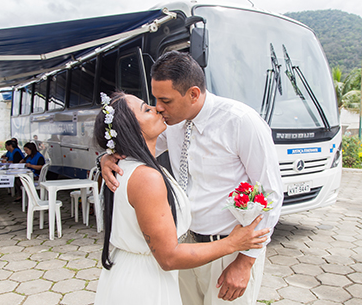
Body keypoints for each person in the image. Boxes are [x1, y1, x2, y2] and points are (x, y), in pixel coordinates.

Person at [101, 51, 283, 304]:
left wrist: (245, 261)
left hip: (229, 251)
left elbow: (271, 193)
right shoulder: (171, 121)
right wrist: (108, 155)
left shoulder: (240, 122)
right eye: (154, 99)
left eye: (165, 100)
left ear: (194, 94)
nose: (158, 108)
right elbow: (136, 141)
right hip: (183, 249)